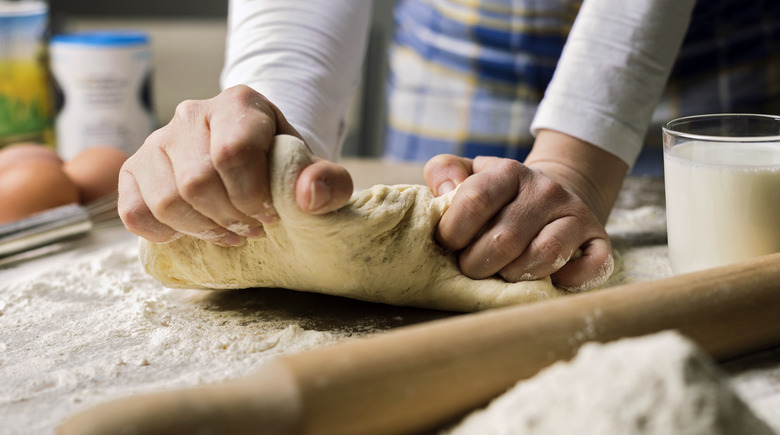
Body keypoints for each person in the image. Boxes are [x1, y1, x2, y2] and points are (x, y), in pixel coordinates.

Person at [118, 0, 780, 292]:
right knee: (423, 236)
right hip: (463, 54)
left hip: (699, 78)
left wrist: (572, 163)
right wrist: (268, 113)